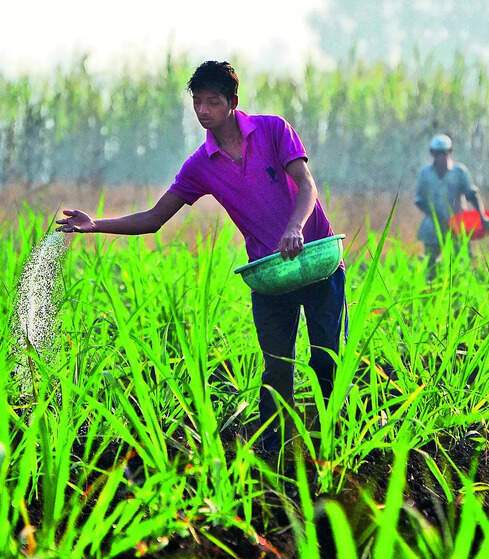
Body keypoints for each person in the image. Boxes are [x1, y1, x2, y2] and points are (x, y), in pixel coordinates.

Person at [56, 61, 345, 453]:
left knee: (326, 362)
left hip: (317, 261)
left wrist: (295, 228)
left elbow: (306, 185)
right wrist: (96, 225)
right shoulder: (200, 166)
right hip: (271, 274)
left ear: (232, 103)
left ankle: (333, 447)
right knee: (277, 369)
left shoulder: (274, 130)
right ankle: (273, 458)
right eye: (197, 102)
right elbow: (154, 219)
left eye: (212, 102)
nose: (203, 111)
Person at [414, 134, 489, 282]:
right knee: (431, 266)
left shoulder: (459, 172)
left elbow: (472, 195)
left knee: (462, 264)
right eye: (438, 154)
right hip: (433, 226)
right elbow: (419, 200)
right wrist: (436, 215)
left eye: (445, 153)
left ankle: (460, 296)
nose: (441, 157)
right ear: (432, 154)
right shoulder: (425, 174)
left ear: (450, 152)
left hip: (457, 225)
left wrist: (482, 216)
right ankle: (431, 294)